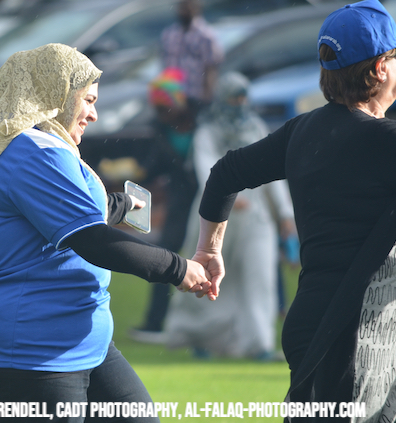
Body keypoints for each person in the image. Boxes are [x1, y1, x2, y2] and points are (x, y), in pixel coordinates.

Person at [0, 43, 212, 422]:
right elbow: (90, 239)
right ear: (55, 93)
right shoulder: (36, 153)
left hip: (79, 345)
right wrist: (178, 268)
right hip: (27, 352)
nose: (93, 113)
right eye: (87, 100)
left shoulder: (30, 147)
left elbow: (70, 210)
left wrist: (122, 204)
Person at [190, 1, 396, 419]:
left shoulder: (301, 131)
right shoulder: (389, 143)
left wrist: (209, 249)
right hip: (357, 335)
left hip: (316, 322)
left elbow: (224, 173)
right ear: (381, 67)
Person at [164, 72, 296, 360]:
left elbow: (273, 171)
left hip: (255, 215)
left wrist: (285, 213)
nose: (239, 103)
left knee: (259, 276)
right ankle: (200, 336)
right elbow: (206, 166)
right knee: (207, 276)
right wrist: (225, 196)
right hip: (214, 215)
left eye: (242, 97)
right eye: (234, 97)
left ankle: (258, 343)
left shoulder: (255, 127)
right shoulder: (208, 131)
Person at [130, 0, 224, 343]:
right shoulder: (164, 131)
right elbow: (151, 167)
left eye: (165, 109)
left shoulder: (205, 129)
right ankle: (156, 322)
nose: (162, 115)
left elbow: (210, 72)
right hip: (182, 198)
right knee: (168, 251)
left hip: (207, 202)